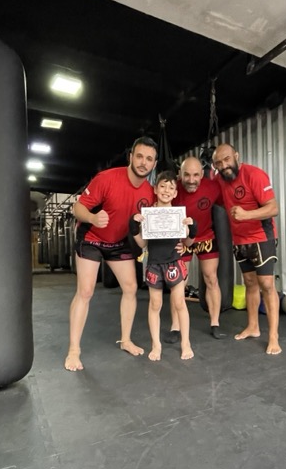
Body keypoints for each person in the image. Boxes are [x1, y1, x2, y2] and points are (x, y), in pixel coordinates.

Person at [64, 136, 158, 372]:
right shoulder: (106, 178)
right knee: (86, 291)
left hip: (119, 242)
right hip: (92, 238)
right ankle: (74, 350)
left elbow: (156, 224)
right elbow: (78, 207)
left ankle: (125, 340)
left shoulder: (150, 193)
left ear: (154, 164)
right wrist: (92, 217)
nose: (143, 162)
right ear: (131, 157)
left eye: (149, 159)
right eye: (139, 156)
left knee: (131, 288)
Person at [212, 143, 281, 355]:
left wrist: (246, 215)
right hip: (240, 240)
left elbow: (273, 208)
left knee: (266, 284)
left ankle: (273, 336)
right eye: (218, 163)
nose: (224, 165)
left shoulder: (254, 175)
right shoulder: (219, 180)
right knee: (250, 283)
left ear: (236, 156)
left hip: (262, 236)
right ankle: (253, 327)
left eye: (227, 159)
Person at [130, 170, 197, 362]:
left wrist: (192, 229)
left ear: (175, 193)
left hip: (174, 262)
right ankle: (156, 345)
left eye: (171, 188)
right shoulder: (148, 215)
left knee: (179, 303)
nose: (166, 190)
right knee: (155, 304)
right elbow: (142, 244)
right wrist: (134, 228)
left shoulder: (179, 216)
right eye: (163, 186)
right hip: (154, 264)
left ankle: (186, 343)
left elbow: (188, 243)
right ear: (155, 189)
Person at [166, 156, 224, 341]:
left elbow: (229, 202)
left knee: (211, 278)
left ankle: (215, 323)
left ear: (202, 175)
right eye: (187, 175)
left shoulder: (213, 187)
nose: (191, 180)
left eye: (196, 175)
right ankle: (175, 327)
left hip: (206, 237)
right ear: (180, 174)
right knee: (178, 284)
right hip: (182, 240)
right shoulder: (172, 189)